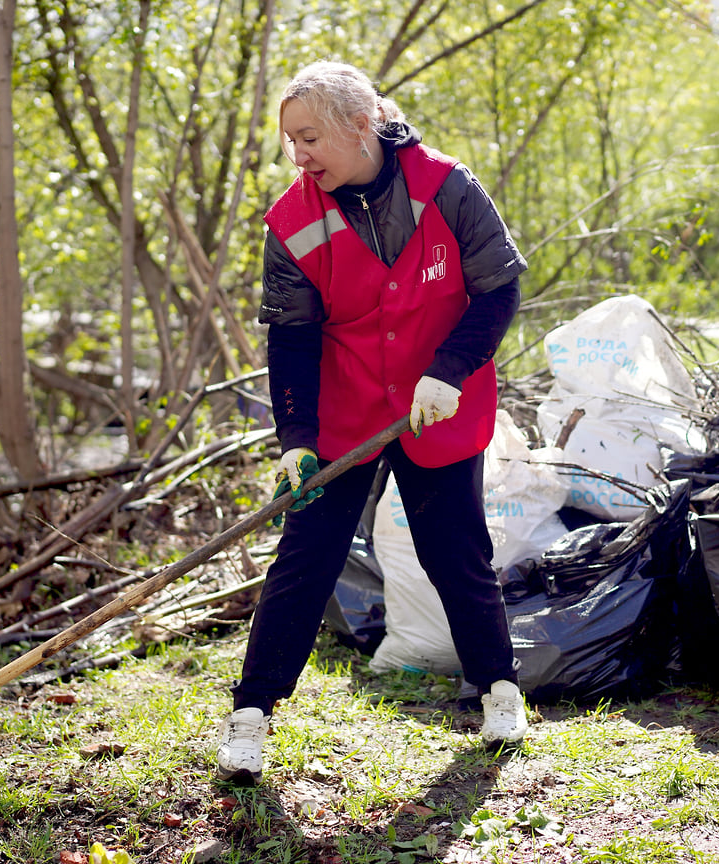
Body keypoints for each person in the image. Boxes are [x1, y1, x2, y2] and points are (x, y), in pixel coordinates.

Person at [214, 61, 529, 785]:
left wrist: (449, 371)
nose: (299, 156)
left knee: (456, 551)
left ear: (362, 124)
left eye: (309, 137)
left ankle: (501, 693)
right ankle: (251, 715)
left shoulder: (449, 188)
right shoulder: (291, 223)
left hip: (436, 406)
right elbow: (290, 339)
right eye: (290, 141)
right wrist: (295, 440)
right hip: (344, 418)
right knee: (306, 558)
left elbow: (498, 289)